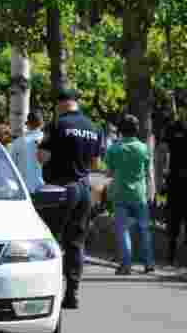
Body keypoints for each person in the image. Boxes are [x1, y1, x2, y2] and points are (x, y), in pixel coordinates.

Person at [37, 88, 102, 309]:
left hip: (61, 189)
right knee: (76, 243)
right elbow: (95, 165)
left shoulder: (56, 125)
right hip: (84, 189)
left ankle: (47, 290)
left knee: (51, 240)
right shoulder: (94, 128)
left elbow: (42, 157)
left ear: (60, 104)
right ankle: (72, 292)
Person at [105, 114, 155, 275]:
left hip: (120, 193)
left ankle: (125, 265)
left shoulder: (114, 148)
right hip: (139, 193)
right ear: (136, 129)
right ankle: (149, 263)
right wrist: (151, 190)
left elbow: (109, 172)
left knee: (123, 230)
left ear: (120, 130)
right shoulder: (143, 148)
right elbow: (149, 172)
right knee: (144, 229)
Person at [161, 115, 187, 265]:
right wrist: (162, 178)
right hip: (175, 181)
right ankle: (170, 257)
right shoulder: (172, 128)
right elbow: (163, 153)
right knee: (173, 220)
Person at [9, 109, 46, 193]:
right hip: (45, 188)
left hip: (24, 188)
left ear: (28, 124)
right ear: (42, 124)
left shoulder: (18, 142)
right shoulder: (48, 140)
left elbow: (11, 166)